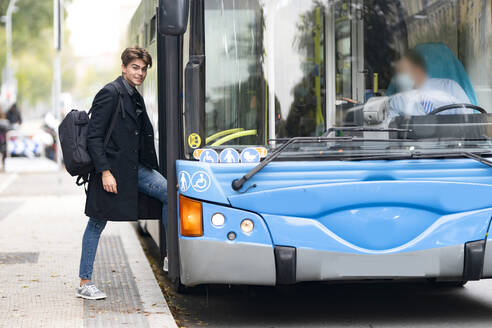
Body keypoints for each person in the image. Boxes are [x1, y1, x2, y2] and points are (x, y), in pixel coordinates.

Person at [76, 47, 168, 300]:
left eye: (144, 69)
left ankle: (170, 257)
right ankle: (85, 282)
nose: (140, 73)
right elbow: (94, 136)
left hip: (135, 169)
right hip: (111, 171)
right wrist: (105, 172)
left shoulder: (133, 94)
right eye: (135, 68)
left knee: (172, 195)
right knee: (96, 222)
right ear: (124, 68)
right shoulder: (110, 93)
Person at [388, 50, 473, 119]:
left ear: (418, 70)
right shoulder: (397, 102)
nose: (399, 77)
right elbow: (390, 129)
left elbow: (468, 121)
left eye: (403, 71)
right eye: (398, 73)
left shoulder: (450, 87)